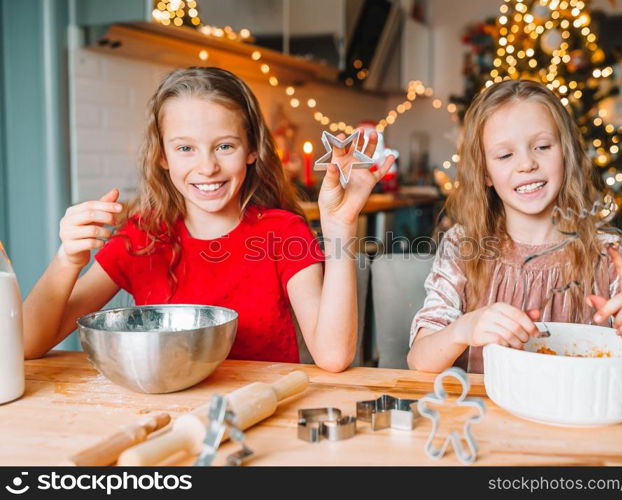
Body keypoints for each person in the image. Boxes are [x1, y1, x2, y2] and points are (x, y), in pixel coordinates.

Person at [23, 67, 394, 372]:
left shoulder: (282, 232)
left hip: (260, 415)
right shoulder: (143, 237)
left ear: (252, 150)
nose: (207, 167)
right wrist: (67, 260)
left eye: (224, 146)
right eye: (186, 148)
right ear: (163, 156)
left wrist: (340, 226)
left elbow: (333, 356)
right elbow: (26, 344)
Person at [408, 79, 622, 385]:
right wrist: (465, 328)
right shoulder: (463, 246)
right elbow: (419, 360)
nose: (527, 164)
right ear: (485, 173)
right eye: (505, 155)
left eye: (542, 147)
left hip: (579, 422)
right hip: (485, 424)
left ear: (565, 153)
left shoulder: (607, 255)